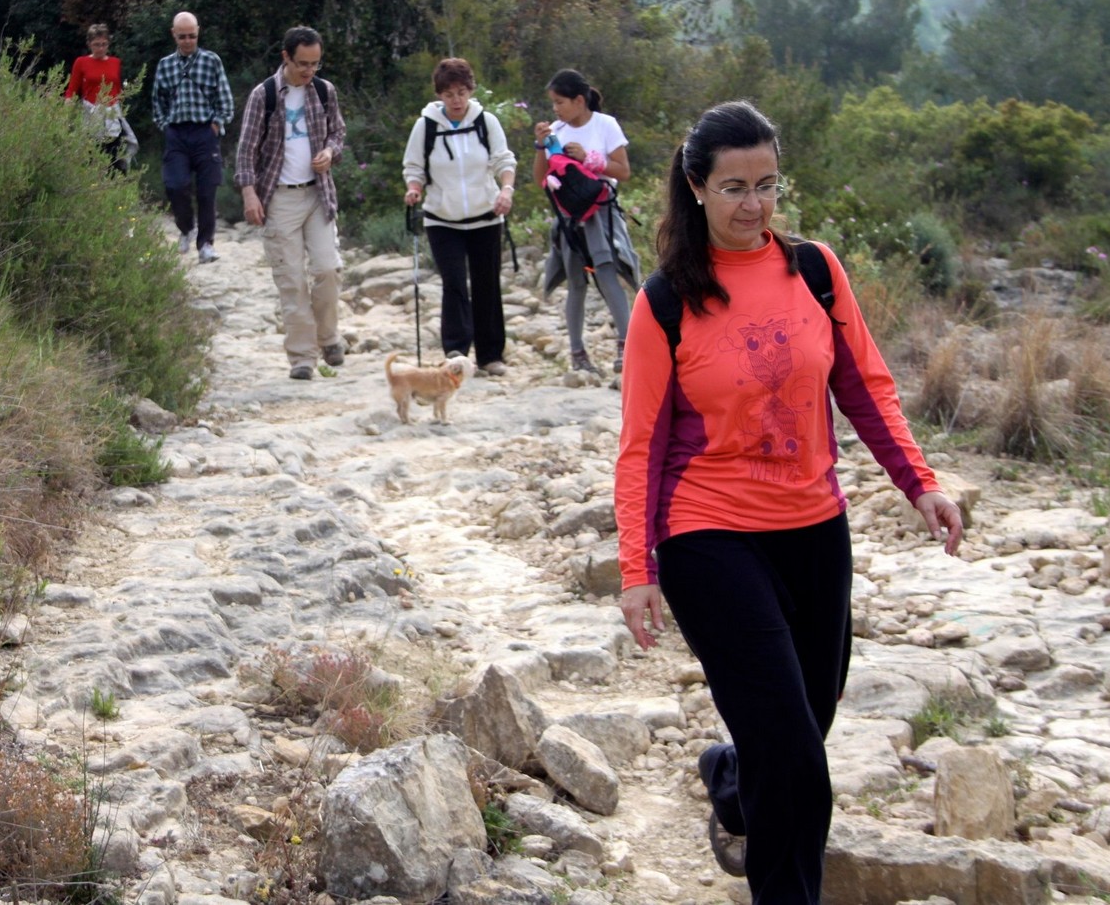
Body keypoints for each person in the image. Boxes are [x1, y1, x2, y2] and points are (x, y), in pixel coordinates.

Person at [614, 100, 965, 905]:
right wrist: (637, 566)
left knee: (803, 725)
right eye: (735, 187)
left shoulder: (815, 270)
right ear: (696, 186)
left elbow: (865, 385)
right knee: (796, 758)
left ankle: (731, 780)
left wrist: (920, 482)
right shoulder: (665, 301)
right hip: (708, 535)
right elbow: (640, 445)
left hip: (814, 527)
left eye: (768, 184)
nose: (755, 204)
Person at [234, 26, 349, 381]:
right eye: (303, 64)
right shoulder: (264, 96)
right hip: (280, 198)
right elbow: (246, 149)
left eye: (315, 64)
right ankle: (302, 358)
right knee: (292, 280)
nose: (309, 70)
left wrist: (330, 151)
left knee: (328, 269)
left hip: (318, 194)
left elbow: (338, 132)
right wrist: (249, 193)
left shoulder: (324, 91)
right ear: (286, 57)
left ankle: (329, 337)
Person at [401, 58, 516, 376]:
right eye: (449, 94)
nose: (456, 100)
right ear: (439, 95)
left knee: (486, 284)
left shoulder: (486, 122)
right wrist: (414, 189)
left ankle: (490, 355)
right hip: (442, 219)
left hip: (486, 216)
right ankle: (456, 352)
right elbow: (414, 167)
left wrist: (506, 190)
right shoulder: (426, 126)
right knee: (453, 283)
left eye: (462, 92)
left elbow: (503, 160)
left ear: (471, 91)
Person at [534, 69, 639, 375]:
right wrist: (541, 146)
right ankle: (577, 353)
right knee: (575, 282)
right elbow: (541, 179)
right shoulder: (556, 130)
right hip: (569, 215)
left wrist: (588, 158)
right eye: (553, 103)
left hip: (600, 212)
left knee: (607, 273)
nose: (555, 109)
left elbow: (623, 170)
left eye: (560, 102)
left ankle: (626, 346)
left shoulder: (605, 125)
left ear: (579, 101)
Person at [152, 11, 234, 263]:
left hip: (204, 132)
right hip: (177, 133)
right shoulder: (165, 65)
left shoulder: (211, 61)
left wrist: (217, 124)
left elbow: (225, 99)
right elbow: (157, 101)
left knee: (207, 191)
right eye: (182, 37)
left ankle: (206, 244)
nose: (187, 41)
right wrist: (165, 126)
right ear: (174, 35)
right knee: (175, 185)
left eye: (192, 36)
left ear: (198, 33)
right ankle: (186, 228)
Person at [64, 23, 131, 173]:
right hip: (91, 113)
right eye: (96, 45)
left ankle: (116, 182)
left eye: (104, 44)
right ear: (89, 44)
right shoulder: (81, 62)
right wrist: (66, 112)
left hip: (112, 114)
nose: (100, 48)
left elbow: (118, 89)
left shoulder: (115, 63)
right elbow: (72, 90)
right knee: (92, 156)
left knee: (115, 157)